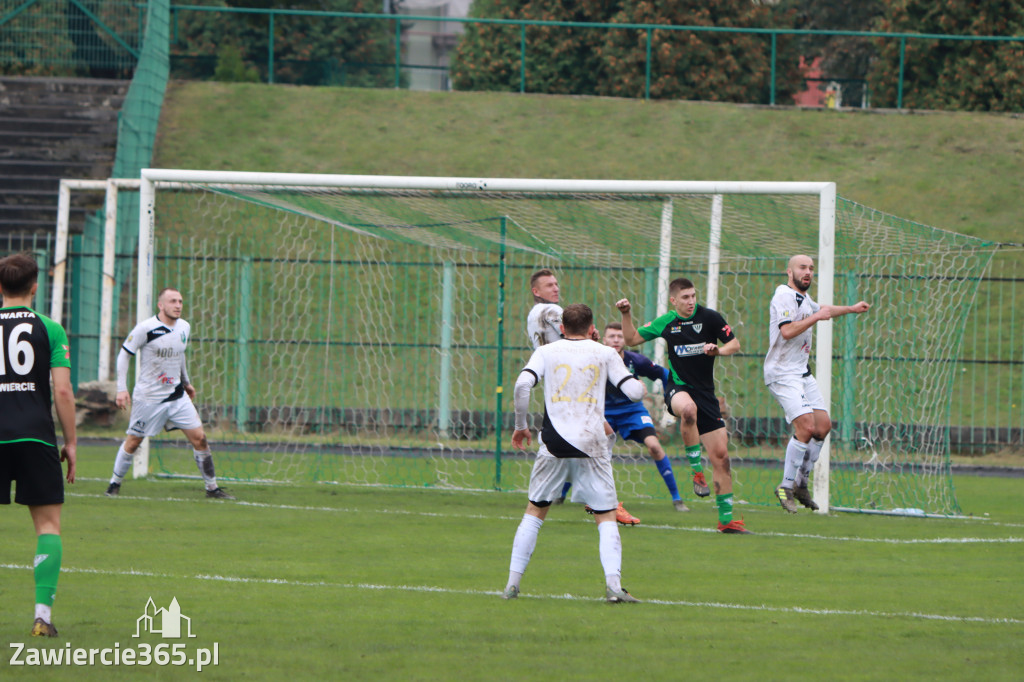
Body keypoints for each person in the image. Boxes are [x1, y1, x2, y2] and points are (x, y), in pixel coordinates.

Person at [503, 304, 643, 603]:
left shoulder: (546, 352)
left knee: (534, 512)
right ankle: (614, 587)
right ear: (592, 327)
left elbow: (522, 384)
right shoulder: (604, 352)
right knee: (605, 517)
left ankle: (512, 585)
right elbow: (634, 393)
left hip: (554, 445)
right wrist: (637, 382)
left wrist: (521, 426)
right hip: (592, 445)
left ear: (563, 328)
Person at [616, 277, 750, 534]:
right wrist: (626, 313)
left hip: (706, 394)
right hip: (677, 389)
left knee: (721, 458)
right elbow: (631, 339)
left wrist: (718, 351)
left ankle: (726, 521)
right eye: (685, 297)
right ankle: (696, 472)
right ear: (673, 300)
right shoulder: (666, 322)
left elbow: (734, 343)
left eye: (693, 296)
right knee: (688, 411)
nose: (691, 301)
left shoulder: (710, 317)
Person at [0, 253, 77, 637]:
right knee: (48, 525)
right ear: (35, 287)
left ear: (0, 288)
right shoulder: (50, 328)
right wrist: (72, 442)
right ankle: (42, 617)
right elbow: (62, 390)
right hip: (35, 435)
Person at [525, 269, 640, 526]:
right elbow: (573, 333)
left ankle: (591, 493)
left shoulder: (534, 316)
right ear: (536, 291)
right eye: (548, 285)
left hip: (558, 387)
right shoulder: (551, 311)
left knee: (605, 434)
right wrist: (591, 336)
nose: (555, 288)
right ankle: (597, 497)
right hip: (571, 388)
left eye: (556, 283)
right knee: (599, 437)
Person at [105, 287, 234, 500]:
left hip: (176, 395)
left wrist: (186, 382)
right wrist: (121, 388)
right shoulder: (146, 328)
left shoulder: (184, 327)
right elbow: (124, 355)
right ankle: (113, 484)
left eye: (180, 301)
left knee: (200, 439)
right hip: (149, 398)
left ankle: (212, 489)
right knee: (134, 441)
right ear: (161, 305)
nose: (178, 305)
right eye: (173, 301)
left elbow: (179, 354)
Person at [765, 255, 870, 513]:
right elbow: (787, 331)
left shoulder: (803, 299)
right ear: (789, 271)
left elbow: (821, 309)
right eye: (803, 267)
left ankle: (801, 483)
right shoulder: (783, 296)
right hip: (782, 373)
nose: (808, 272)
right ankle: (785, 486)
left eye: (811, 268)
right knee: (806, 426)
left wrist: (851, 309)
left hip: (801, 373)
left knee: (823, 426)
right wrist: (817, 317)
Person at [602, 323, 688, 512]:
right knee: (589, 452)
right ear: (604, 340)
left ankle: (677, 499)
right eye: (611, 336)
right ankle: (562, 494)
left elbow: (664, 374)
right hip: (604, 414)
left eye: (620, 336)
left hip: (632, 412)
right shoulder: (596, 360)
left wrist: (672, 395)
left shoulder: (635, 361)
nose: (616, 340)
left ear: (626, 339)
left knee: (655, 446)